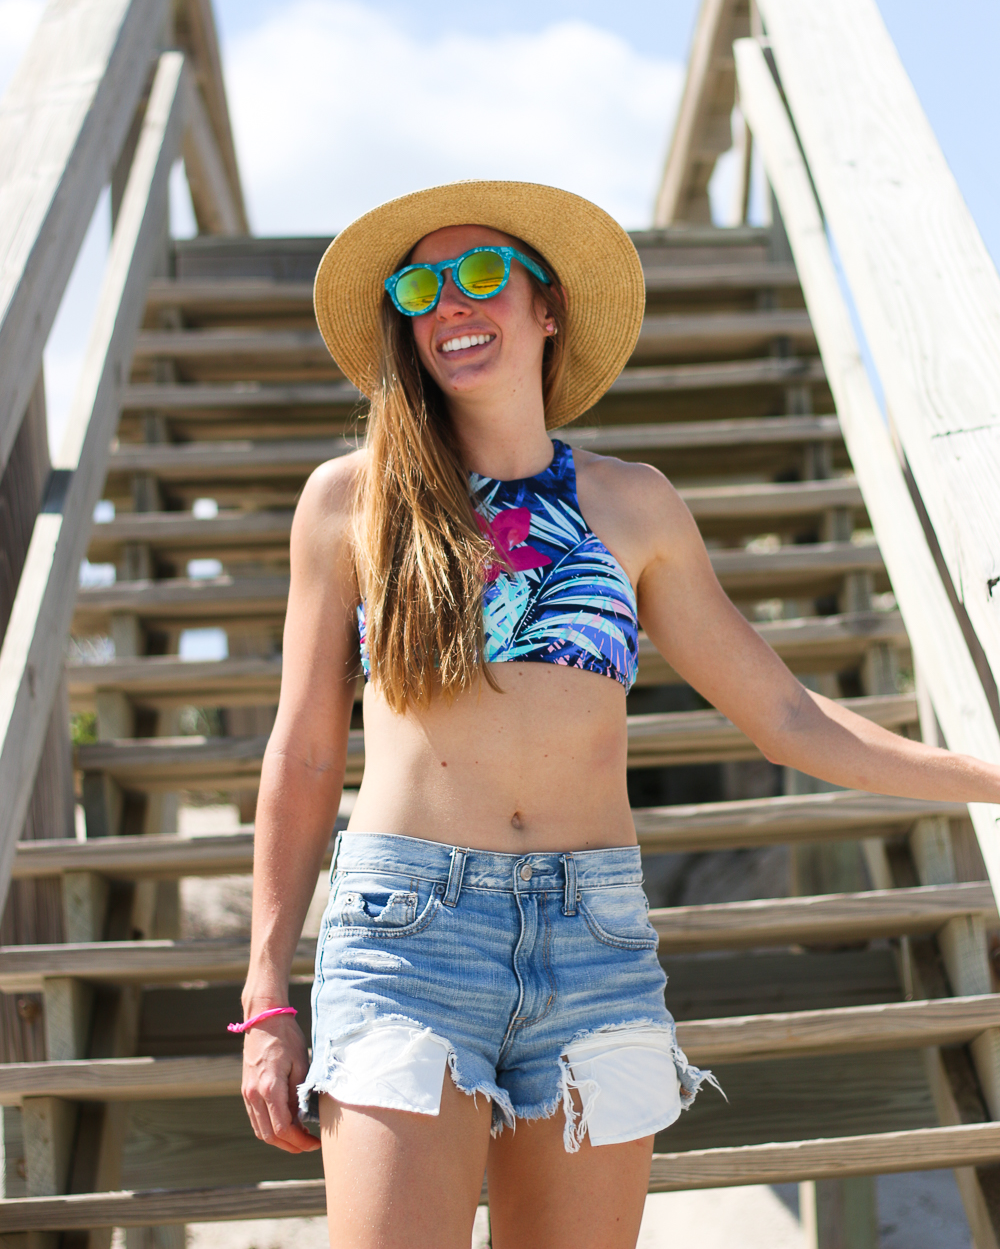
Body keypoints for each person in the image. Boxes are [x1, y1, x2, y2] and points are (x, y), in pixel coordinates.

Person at [238, 180, 1000, 1249]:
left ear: (546, 309)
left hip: (589, 939)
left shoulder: (634, 503)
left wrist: (987, 776)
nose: (449, 303)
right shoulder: (351, 499)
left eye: (480, 275)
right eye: (420, 287)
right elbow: (305, 751)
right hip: (407, 934)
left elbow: (787, 716)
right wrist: (267, 991)